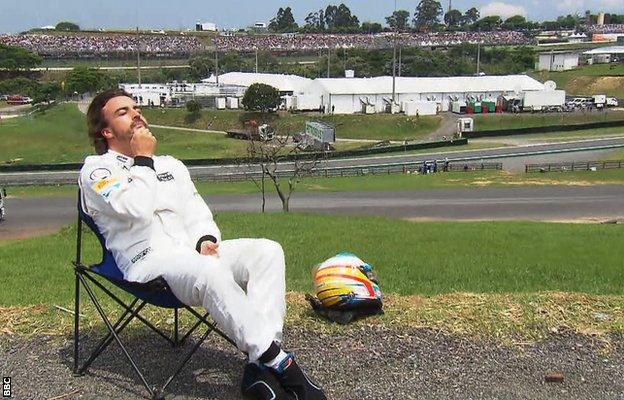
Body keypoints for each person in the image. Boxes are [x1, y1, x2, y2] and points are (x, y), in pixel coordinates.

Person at [79, 89, 326, 400]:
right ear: (106, 131)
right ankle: (283, 365)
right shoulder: (97, 170)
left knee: (267, 250)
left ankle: (260, 366)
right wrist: (143, 159)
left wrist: (205, 239)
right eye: (123, 112)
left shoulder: (171, 165)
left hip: (192, 256)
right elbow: (137, 208)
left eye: (136, 107)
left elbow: (196, 211)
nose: (137, 114)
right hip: (148, 263)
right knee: (206, 271)